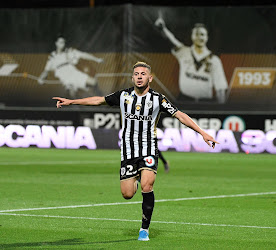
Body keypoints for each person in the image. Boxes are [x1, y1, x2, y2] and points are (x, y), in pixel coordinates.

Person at [53, 61, 218, 241]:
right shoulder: (123, 95)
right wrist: (72, 101)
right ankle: (136, 179)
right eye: (136, 74)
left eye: (143, 74)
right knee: (127, 194)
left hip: (148, 149)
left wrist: (202, 132)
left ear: (150, 78)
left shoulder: (158, 99)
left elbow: (179, 115)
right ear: (132, 78)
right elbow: (99, 100)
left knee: (148, 186)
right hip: (128, 151)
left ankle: (144, 229)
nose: (139, 77)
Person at [155, 18, 228, 103]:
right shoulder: (184, 52)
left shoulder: (214, 60)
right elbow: (172, 40)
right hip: (184, 100)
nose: (199, 37)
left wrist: (220, 109)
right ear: (192, 36)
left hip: (205, 103)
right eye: (196, 34)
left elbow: (220, 89)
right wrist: (163, 28)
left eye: (202, 34)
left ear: (207, 37)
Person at [38, 36, 104, 97]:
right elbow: (46, 71)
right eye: (60, 42)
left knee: (94, 82)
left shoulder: (69, 51)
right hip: (65, 77)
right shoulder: (52, 57)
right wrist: (41, 78)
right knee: (72, 94)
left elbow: (83, 55)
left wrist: (97, 59)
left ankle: (103, 101)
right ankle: (73, 107)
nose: (62, 44)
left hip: (74, 73)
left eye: (63, 42)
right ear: (56, 43)